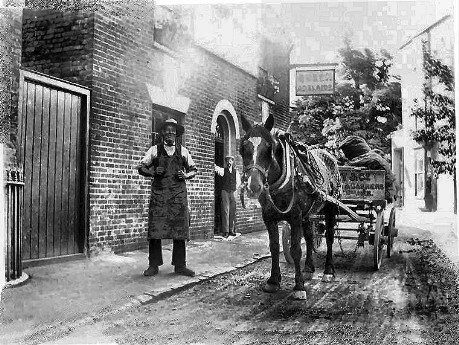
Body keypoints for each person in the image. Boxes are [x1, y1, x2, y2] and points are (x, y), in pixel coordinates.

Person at [137, 119, 197, 277]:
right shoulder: (154, 150)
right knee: (155, 230)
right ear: (162, 132)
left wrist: (186, 175)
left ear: (176, 134)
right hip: (159, 196)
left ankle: (180, 265)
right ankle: (153, 265)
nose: (170, 133)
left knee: (180, 230)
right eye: (167, 130)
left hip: (178, 196)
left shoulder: (183, 151)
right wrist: (152, 172)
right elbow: (141, 167)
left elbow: (194, 170)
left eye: (173, 131)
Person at [214, 155, 241, 237]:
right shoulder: (223, 170)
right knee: (225, 211)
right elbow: (217, 169)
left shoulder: (236, 172)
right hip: (225, 192)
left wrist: (234, 188)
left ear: (232, 162)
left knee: (232, 211)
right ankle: (225, 231)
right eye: (227, 161)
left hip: (233, 192)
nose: (229, 162)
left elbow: (238, 182)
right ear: (226, 162)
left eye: (230, 161)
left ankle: (231, 230)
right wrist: (213, 165)